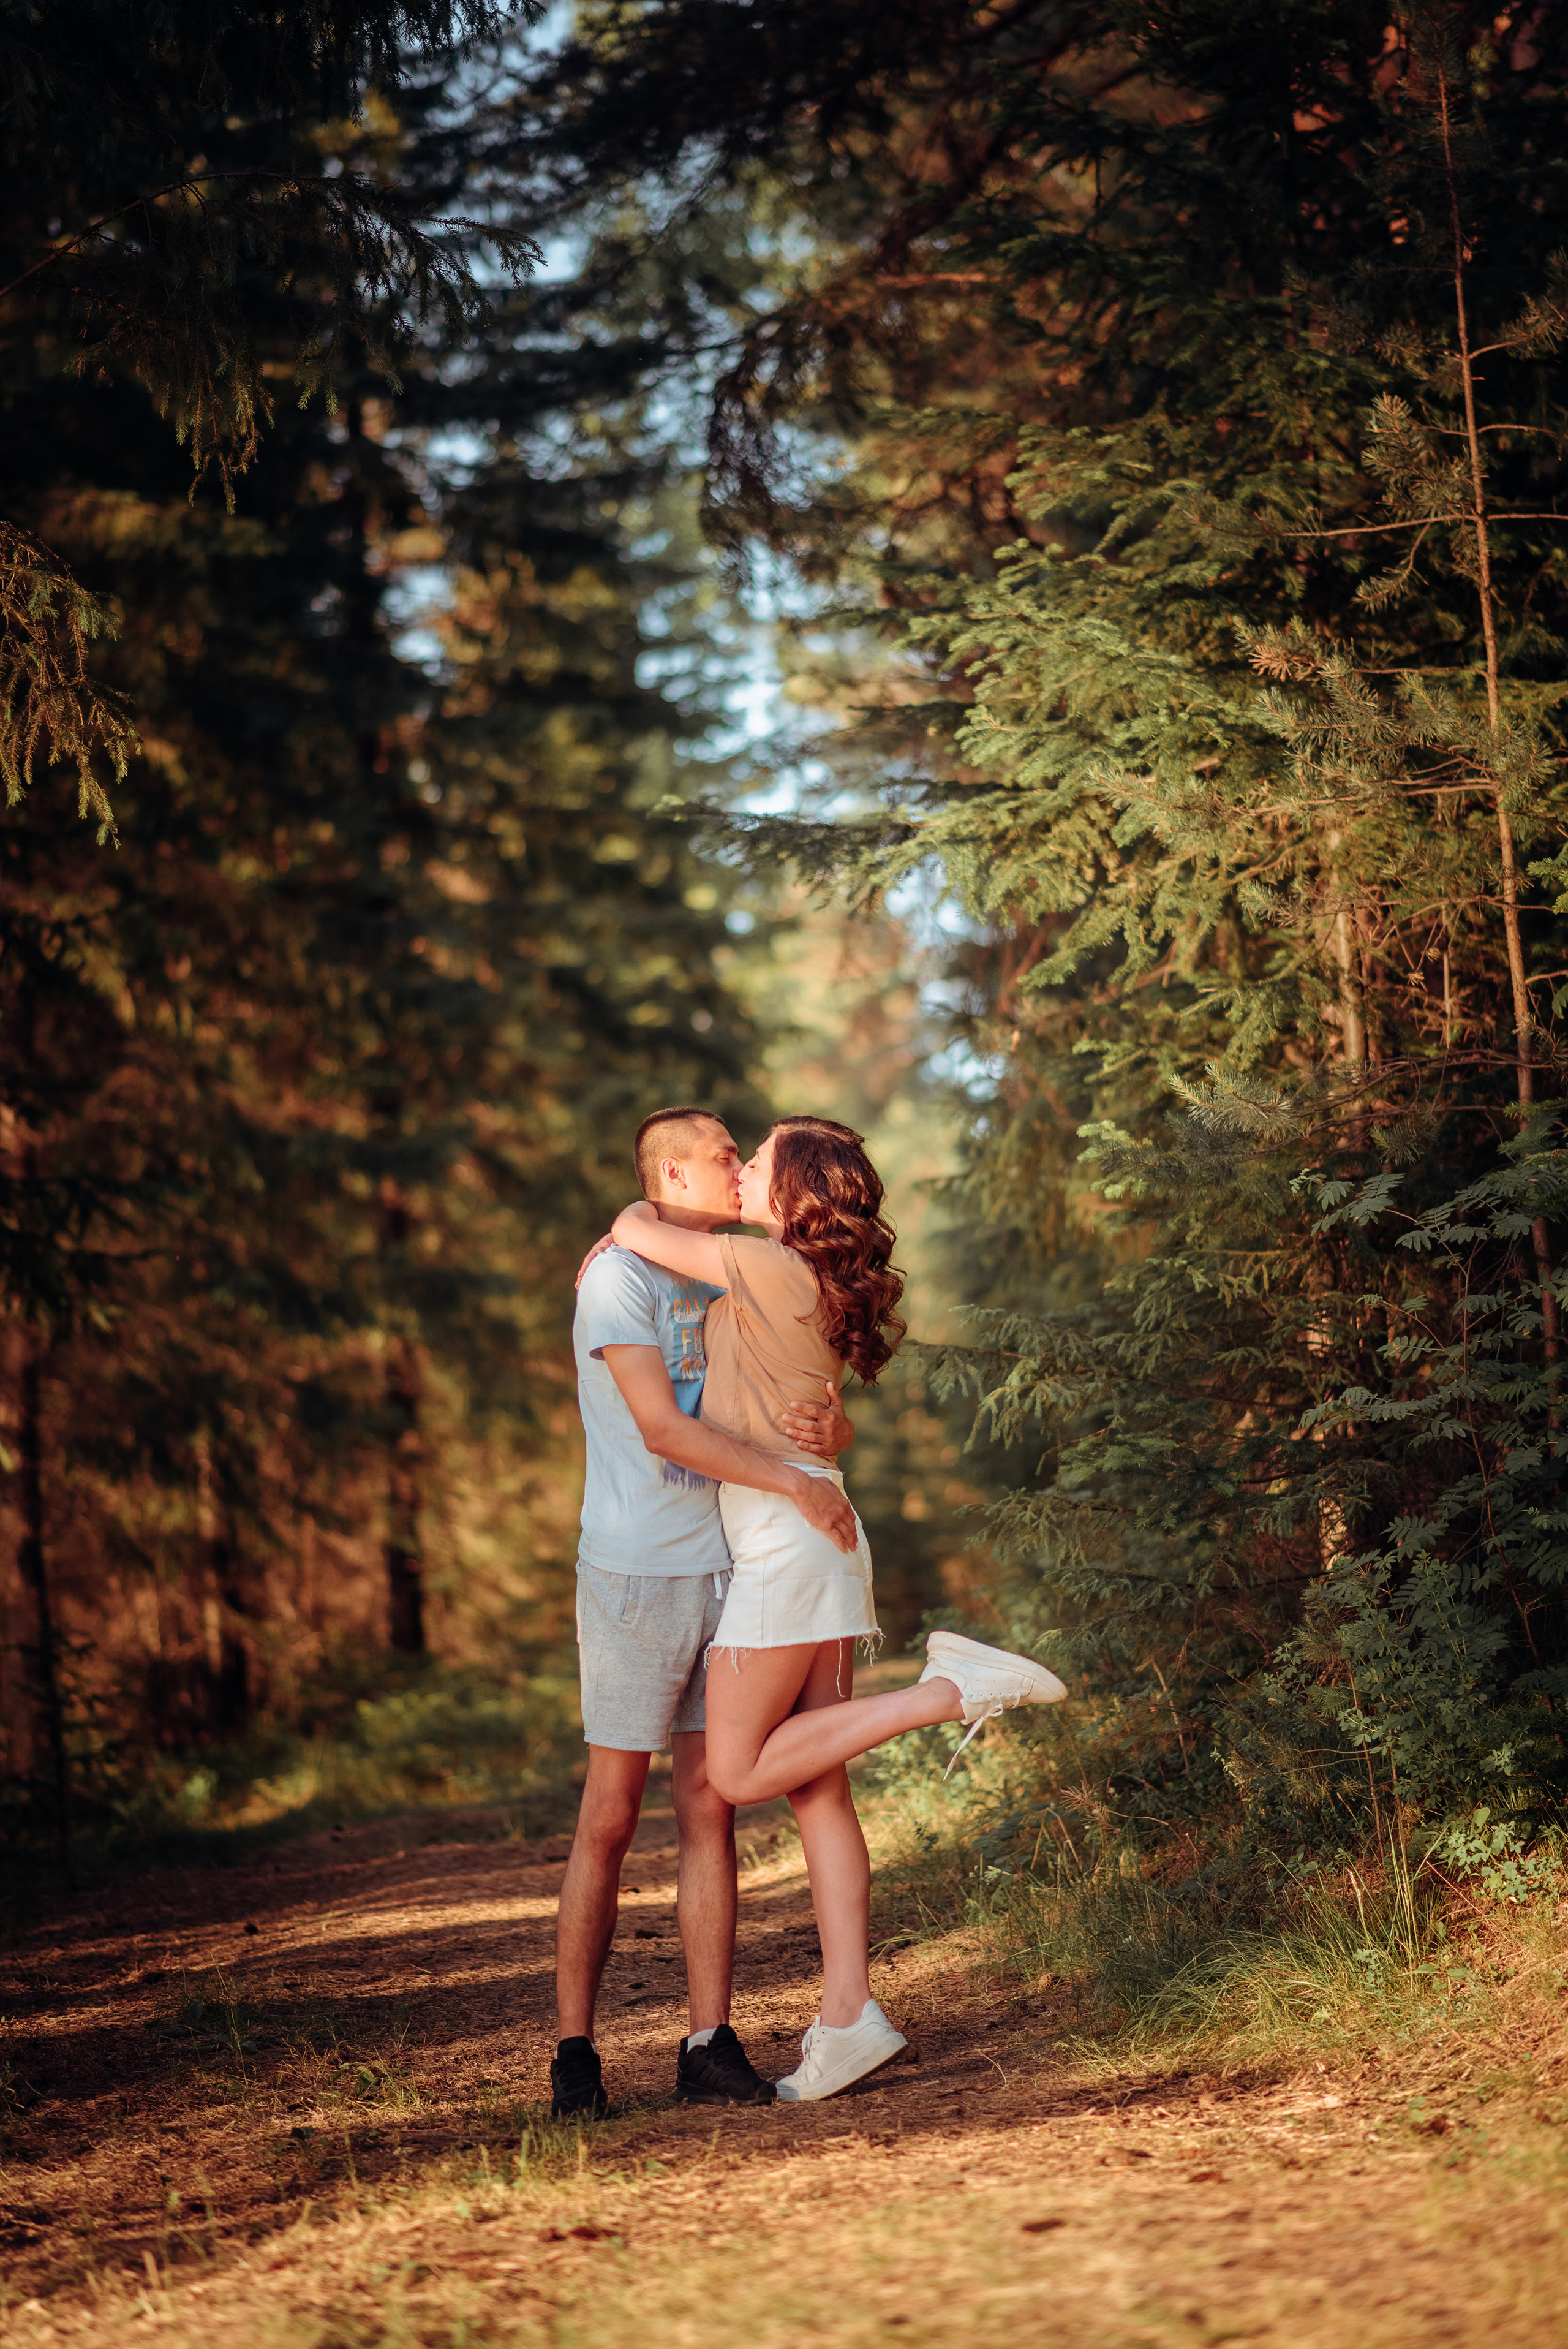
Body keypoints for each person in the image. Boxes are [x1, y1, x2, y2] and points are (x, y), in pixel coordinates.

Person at [608, 1114, 1068, 2103]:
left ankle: (948, 1690)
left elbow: (640, 1224)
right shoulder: (801, 1278)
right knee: (818, 1789)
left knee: (732, 1769)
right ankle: (851, 2015)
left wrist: (632, 1213)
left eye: (757, 1161)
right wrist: (838, 1425)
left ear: (791, 1194)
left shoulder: (763, 1265)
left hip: (783, 1539)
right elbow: (809, 1407)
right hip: (820, 1532)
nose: (742, 1175)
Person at [554, 1105, 859, 2121]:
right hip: (638, 1574)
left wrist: (831, 1428)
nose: (741, 1169)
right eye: (729, 1155)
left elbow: (796, 1375)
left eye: (745, 1156)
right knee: (609, 1816)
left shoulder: (727, 1260)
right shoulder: (618, 1278)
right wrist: (797, 1480)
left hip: (733, 1565)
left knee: (709, 1808)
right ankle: (575, 2056)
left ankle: (707, 2041)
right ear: (678, 1171)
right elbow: (662, 1430)